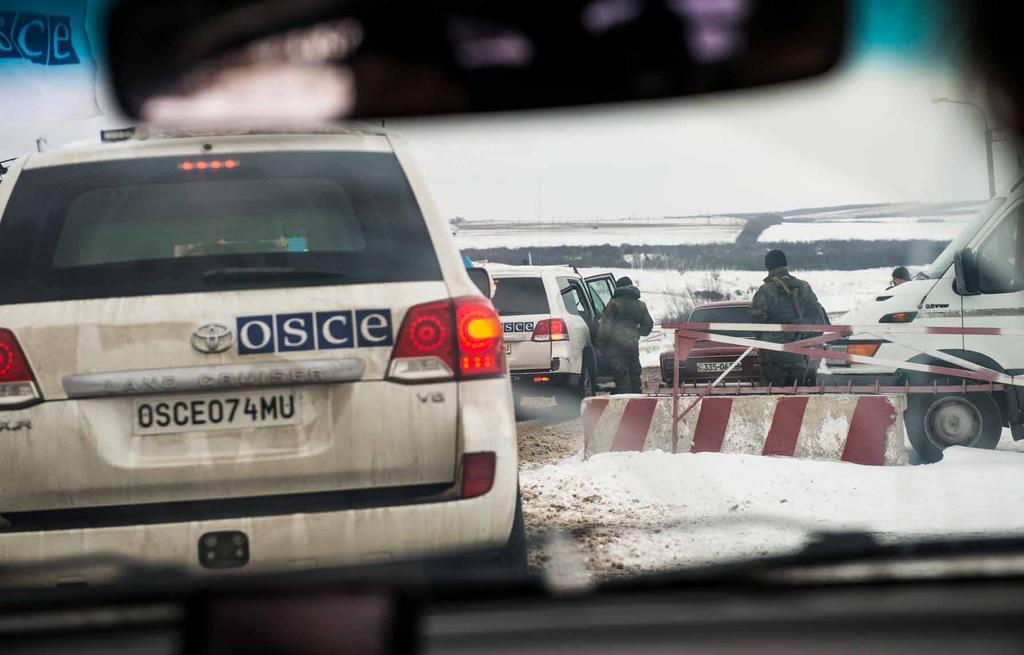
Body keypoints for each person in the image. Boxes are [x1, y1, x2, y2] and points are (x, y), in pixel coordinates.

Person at [748, 249, 824, 386]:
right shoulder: (803, 286)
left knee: (772, 395)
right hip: (799, 349)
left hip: (772, 352)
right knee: (797, 393)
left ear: (768, 266)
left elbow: (756, 317)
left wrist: (764, 335)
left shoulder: (766, 290)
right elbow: (816, 310)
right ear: (785, 264)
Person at [597, 276, 655, 394]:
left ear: (618, 288)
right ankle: (637, 405)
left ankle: (624, 405)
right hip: (633, 348)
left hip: (616, 349)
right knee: (635, 378)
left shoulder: (613, 304)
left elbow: (605, 328)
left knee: (622, 379)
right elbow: (648, 325)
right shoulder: (640, 305)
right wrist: (638, 332)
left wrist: (600, 345)